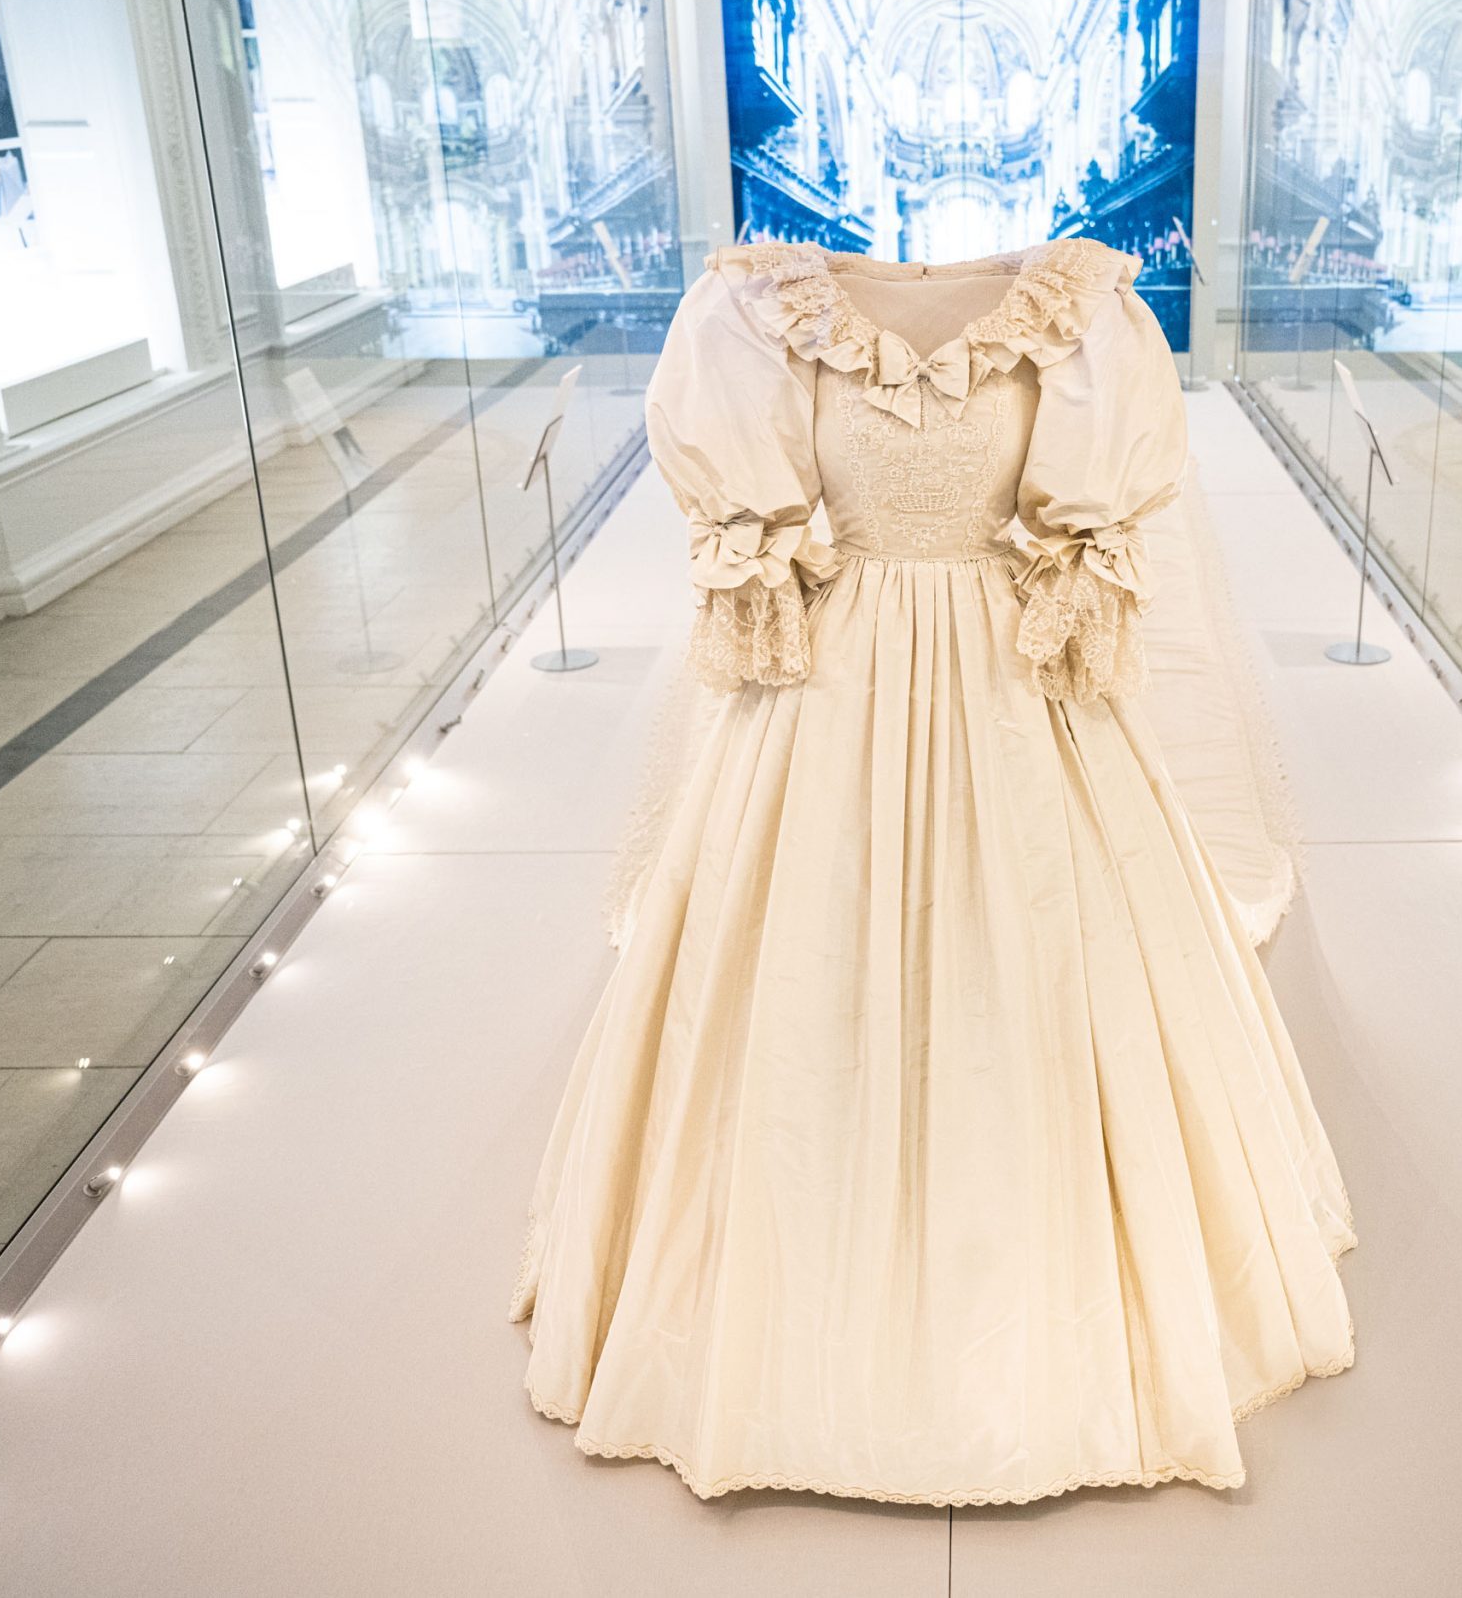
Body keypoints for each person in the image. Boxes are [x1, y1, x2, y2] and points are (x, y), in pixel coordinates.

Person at [510, 236, 1355, 1506]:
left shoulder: (1077, 311)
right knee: (796, 935)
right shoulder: (763, 309)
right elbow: (744, 496)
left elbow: (1090, 508)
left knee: (1043, 933)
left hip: (1007, 657)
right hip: (831, 665)